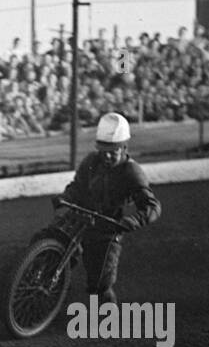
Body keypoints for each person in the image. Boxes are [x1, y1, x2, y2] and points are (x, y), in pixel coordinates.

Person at [54, 112, 161, 305]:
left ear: (124, 147)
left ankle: (106, 322)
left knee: (100, 283)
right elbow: (76, 187)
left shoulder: (132, 173)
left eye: (113, 151)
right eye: (103, 150)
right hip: (79, 217)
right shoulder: (91, 161)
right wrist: (65, 197)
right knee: (51, 242)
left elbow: (152, 207)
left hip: (107, 229)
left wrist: (132, 221)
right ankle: (48, 287)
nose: (107, 156)